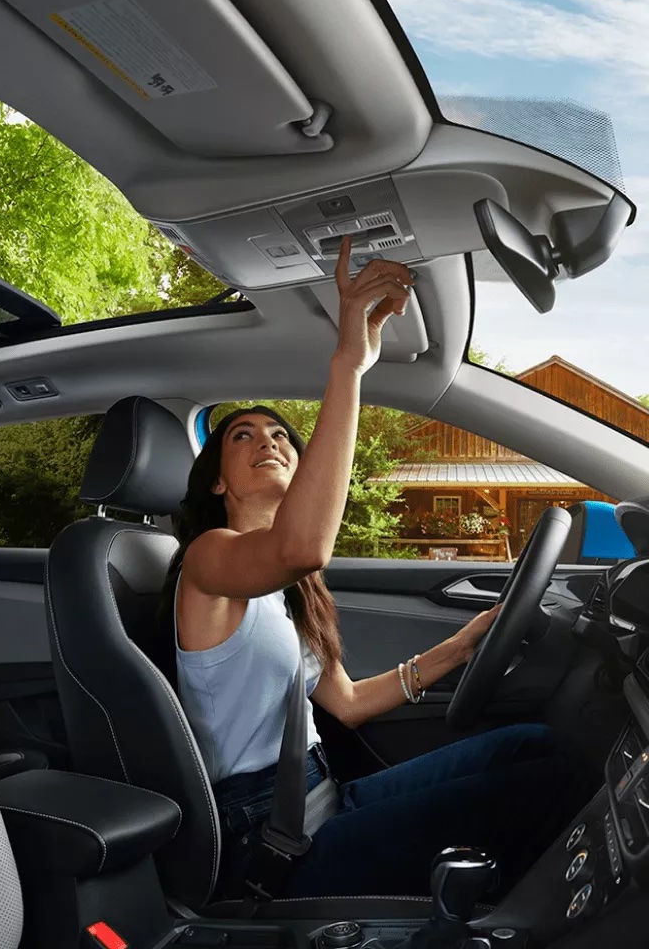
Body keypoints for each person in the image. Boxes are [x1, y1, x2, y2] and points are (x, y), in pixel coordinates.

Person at [157, 237, 588, 901]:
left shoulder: (288, 590)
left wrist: (469, 639)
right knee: (546, 788)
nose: (267, 442)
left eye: (280, 437)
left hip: (323, 795)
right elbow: (302, 544)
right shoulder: (207, 561)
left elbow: (348, 705)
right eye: (243, 436)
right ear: (216, 482)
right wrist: (348, 365)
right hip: (266, 837)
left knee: (529, 746)